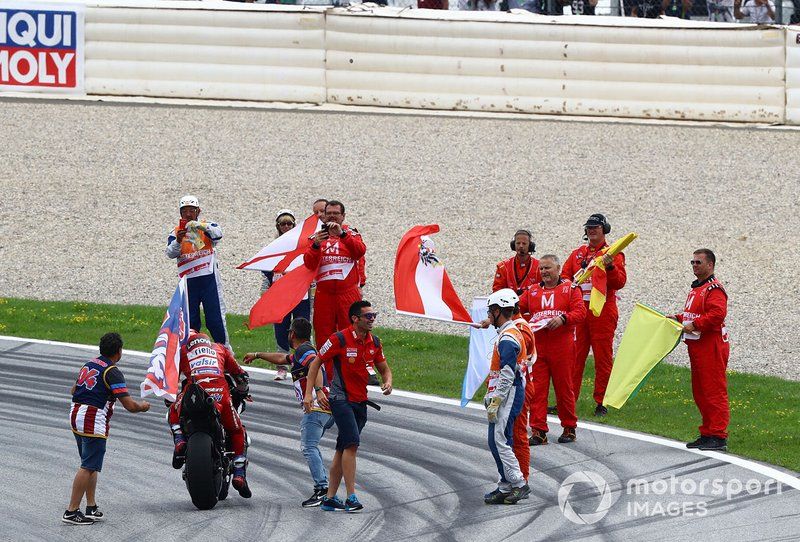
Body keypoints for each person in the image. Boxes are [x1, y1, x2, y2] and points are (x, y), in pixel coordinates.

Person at [303, 300, 393, 513]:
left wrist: (388, 382)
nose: (372, 320)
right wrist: (310, 393)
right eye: (368, 316)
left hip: (361, 402)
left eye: (374, 315)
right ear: (355, 319)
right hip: (340, 400)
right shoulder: (339, 339)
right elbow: (316, 363)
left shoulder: (375, 342)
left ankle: (330, 498)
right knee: (352, 444)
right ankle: (351, 496)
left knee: (342, 448)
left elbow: (385, 369)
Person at [243, 318, 333, 507]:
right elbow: (281, 358)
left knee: (309, 447)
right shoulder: (302, 352)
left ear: (292, 333)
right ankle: (326, 488)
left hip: (316, 407)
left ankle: (322, 489)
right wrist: (257, 354)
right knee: (312, 446)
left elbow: (315, 365)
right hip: (325, 409)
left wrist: (315, 392)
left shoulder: (305, 351)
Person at [64, 333, 150, 525]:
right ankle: (71, 511)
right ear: (119, 352)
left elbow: (73, 390)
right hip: (92, 420)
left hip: (76, 415)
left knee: (91, 464)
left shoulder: (89, 364)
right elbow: (129, 405)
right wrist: (143, 406)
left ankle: (91, 506)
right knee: (87, 466)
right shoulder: (112, 371)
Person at [168, 331, 252, 498]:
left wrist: (169, 395)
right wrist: (243, 391)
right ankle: (239, 473)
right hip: (221, 394)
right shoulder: (220, 349)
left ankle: (179, 440)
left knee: (172, 411)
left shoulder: (182, 351)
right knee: (237, 431)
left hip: (194, 394)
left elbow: (171, 378)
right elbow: (241, 376)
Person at [561, 213, 627, 417]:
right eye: (589, 227)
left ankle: (602, 402)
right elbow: (564, 275)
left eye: (595, 227)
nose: (591, 231)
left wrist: (610, 266)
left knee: (603, 357)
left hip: (603, 311)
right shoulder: (577, 253)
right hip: (579, 310)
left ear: (604, 229)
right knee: (574, 356)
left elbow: (620, 282)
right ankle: (568, 400)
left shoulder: (614, 253)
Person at [520, 255, 585, 445]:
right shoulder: (532, 291)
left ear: (558, 268)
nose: (544, 272)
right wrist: (493, 317)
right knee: (537, 389)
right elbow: (515, 308)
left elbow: (580, 312)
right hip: (538, 347)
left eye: (547, 268)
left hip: (562, 346)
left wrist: (563, 319)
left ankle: (569, 427)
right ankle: (539, 431)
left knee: (564, 388)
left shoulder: (571, 289)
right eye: (541, 269)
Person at [672, 249, 730, 452]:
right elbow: (693, 313)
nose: (694, 265)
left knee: (714, 391)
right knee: (700, 391)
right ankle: (707, 433)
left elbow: (717, 315)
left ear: (710, 265)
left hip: (711, 345)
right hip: (697, 346)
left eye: (698, 262)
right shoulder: (697, 288)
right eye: (692, 262)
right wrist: (678, 319)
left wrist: (694, 325)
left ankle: (718, 435)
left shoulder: (714, 289)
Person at [482, 289, 530, 505]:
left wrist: (497, 399)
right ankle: (504, 485)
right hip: (506, 392)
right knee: (496, 441)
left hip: (509, 393)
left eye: (490, 311)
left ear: (498, 310)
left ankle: (518, 484)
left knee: (500, 440)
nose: (489, 315)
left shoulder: (508, 338)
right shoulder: (507, 332)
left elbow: (508, 373)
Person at [166, 195, 230, 349]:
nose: (188, 214)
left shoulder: (206, 226)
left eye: (192, 210)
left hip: (209, 281)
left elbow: (218, 234)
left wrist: (201, 227)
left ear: (198, 211)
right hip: (189, 283)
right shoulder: (175, 232)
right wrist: (178, 241)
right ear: (180, 213)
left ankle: (227, 355)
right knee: (191, 322)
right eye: (185, 211)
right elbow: (170, 253)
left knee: (215, 320)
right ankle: (191, 354)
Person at [304, 200, 367, 354]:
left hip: (347, 294)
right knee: (324, 337)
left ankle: (351, 371)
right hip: (324, 295)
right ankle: (328, 374)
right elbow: (309, 264)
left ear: (343, 216)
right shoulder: (315, 237)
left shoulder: (352, 233)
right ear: (324, 216)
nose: (332, 217)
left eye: (336, 214)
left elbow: (360, 251)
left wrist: (342, 234)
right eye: (329, 213)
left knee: (351, 333)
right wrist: (316, 245)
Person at [262, 209, 312, 381]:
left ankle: (306, 363)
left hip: (301, 295)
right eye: (283, 224)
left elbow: (311, 265)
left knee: (302, 329)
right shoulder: (272, 247)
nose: (286, 226)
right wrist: (265, 295)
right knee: (281, 330)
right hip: (280, 296)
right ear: (278, 226)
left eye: (289, 223)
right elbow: (265, 271)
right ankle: (282, 366)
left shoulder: (303, 244)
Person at [492, 230, 541, 308]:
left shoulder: (540, 267)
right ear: (513, 245)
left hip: (532, 308)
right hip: (508, 309)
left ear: (530, 246)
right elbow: (497, 291)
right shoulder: (503, 267)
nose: (521, 246)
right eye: (518, 243)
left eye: (524, 243)